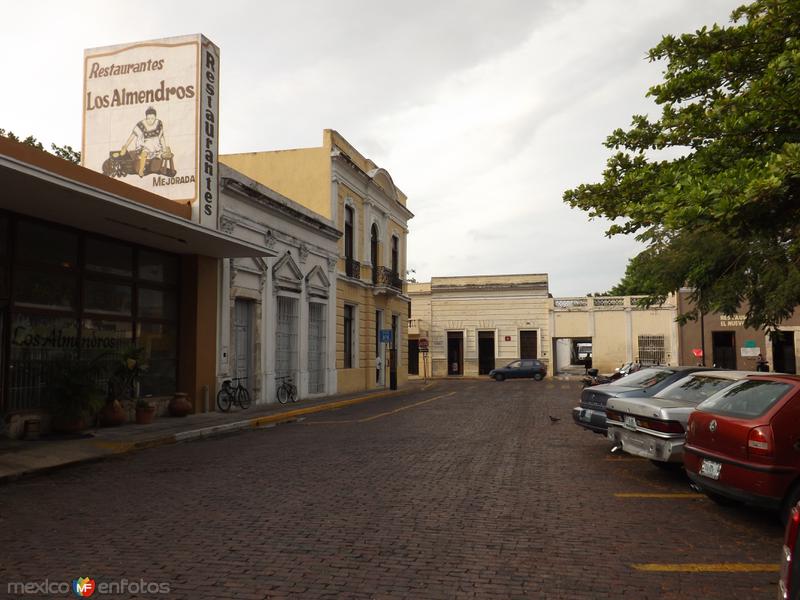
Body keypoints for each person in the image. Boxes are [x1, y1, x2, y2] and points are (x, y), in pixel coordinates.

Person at [120, 106, 167, 177]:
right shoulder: (141, 124)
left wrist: (164, 148)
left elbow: (162, 136)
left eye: (152, 118)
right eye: (148, 118)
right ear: (146, 117)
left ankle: (155, 167)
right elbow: (133, 135)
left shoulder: (159, 123)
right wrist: (125, 146)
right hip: (145, 144)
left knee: (159, 158)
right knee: (144, 154)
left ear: (155, 117)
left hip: (155, 145)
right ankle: (141, 170)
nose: (150, 120)